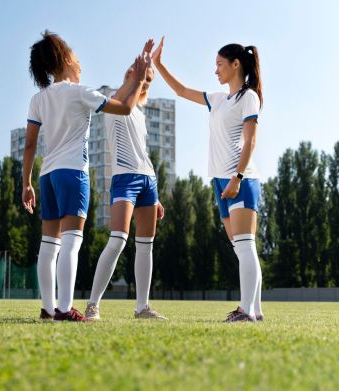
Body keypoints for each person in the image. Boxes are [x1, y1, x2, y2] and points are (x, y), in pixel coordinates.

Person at [22, 31, 154, 321]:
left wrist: (26, 183)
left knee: (48, 244)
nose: (80, 66)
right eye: (78, 60)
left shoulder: (37, 99)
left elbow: (30, 144)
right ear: (66, 59)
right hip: (73, 174)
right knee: (72, 241)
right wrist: (139, 77)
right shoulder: (80, 92)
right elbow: (125, 108)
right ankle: (66, 308)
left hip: (47, 176)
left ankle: (47, 308)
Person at [152, 37, 264, 322]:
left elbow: (250, 141)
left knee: (246, 244)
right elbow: (180, 90)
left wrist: (237, 177)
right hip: (219, 181)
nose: (216, 70)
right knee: (241, 248)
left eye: (219, 64)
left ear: (235, 64)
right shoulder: (217, 99)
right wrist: (158, 63)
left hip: (241, 179)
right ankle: (257, 311)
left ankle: (246, 310)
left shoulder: (248, 96)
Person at [84, 61, 167, 320]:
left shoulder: (141, 115)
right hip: (124, 178)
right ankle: (93, 306)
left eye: (148, 79)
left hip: (148, 180)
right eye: (141, 74)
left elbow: (143, 152)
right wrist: (137, 75)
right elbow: (125, 95)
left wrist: (157, 197)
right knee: (118, 239)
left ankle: (142, 307)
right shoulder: (114, 101)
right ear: (129, 73)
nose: (144, 80)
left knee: (146, 246)